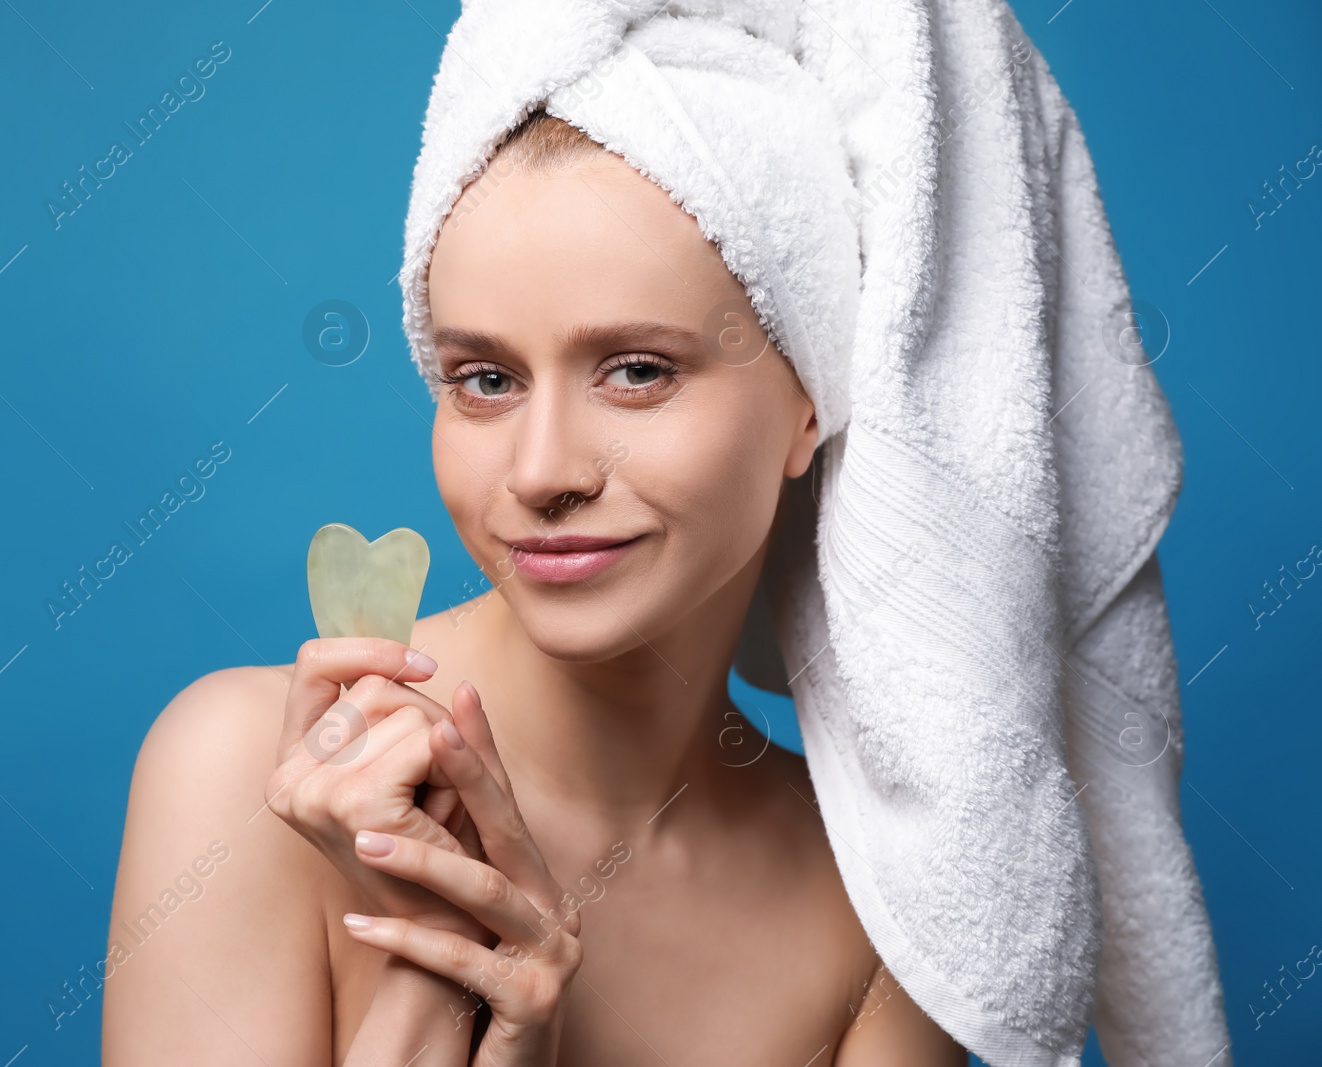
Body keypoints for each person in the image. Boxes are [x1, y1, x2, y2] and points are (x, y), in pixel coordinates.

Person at [102, 108, 968, 1065]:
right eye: (484, 380)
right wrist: (442, 963)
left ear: (812, 401)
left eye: (637, 371)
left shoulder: (884, 895)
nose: (542, 471)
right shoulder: (242, 776)